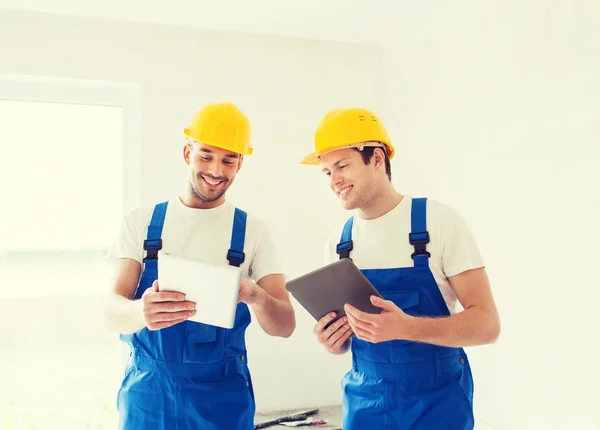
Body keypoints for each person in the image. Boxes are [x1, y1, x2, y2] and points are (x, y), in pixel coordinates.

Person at [301, 107, 501, 429]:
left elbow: (488, 325)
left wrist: (406, 327)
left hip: (437, 406)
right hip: (364, 405)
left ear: (377, 158)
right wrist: (333, 341)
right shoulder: (339, 245)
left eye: (342, 165)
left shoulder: (438, 223)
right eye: (326, 172)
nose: (333, 180)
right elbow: (348, 344)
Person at [104, 102, 296, 430]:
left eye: (228, 159)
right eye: (205, 155)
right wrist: (141, 313)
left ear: (240, 163)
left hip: (223, 399)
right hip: (150, 395)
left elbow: (285, 325)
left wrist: (256, 297)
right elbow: (111, 311)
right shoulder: (142, 223)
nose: (216, 170)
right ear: (186, 153)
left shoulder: (254, 231)